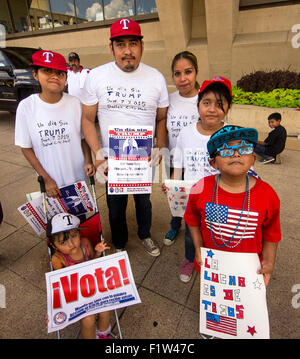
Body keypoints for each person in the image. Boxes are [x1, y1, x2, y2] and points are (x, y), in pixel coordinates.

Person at [81, 18, 169, 256]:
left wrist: (160, 146)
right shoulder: (97, 76)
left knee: (144, 203)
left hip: (143, 157)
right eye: (121, 44)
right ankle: (119, 242)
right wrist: (98, 155)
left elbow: (161, 118)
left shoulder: (156, 78)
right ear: (111, 48)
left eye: (133, 43)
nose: (127, 51)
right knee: (115, 206)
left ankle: (145, 234)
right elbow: (87, 119)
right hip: (111, 159)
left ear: (142, 46)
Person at [184, 125, 281, 289]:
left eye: (243, 148)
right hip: (212, 265)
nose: (236, 153)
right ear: (213, 163)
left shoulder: (267, 194)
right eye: (226, 150)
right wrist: (198, 248)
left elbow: (271, 233)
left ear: (253, 158)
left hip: (249, 269)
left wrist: (269, 261)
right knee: (215, 302)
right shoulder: (200, 188)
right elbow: (192, 219)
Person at [168, 76, 233, 283]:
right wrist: (173, 185)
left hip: (221, 198)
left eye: (220, 104)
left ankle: (216, 264)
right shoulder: (186, 133)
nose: (212, 109)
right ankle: (190, 259)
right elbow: (178, 163)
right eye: (206, 103)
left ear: (228, 108)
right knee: (191, 233)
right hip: (192, 198)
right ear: (198, 105)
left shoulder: (231, 135)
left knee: (218, 234)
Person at [15, 49, 95, 198]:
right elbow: (26, 147)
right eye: (47, 71)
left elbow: (83, 137)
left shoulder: (75, 103)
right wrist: (46, 178)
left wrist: (89, 160)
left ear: (66, 77)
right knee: (56, 221)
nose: (54, 77)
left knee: (80, 219)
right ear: (35, 74)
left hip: (77, 180)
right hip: (52, 184)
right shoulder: (26, 107)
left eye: (60, 73)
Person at [47, 212, 112, 339]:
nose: (72, 244)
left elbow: (93, 261)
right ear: (54, 246)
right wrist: (54, 310)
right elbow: (59, 286)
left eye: (74, 236)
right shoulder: (58, 258)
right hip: (75, 293)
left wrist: (98, 253)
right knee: (88, 319)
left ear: (79, 232)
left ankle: (103, 334)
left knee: (106, 306)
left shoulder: (86, 243)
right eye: (63, 242)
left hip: (92, 285)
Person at [163, 51, 200, 247]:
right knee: (175, 198)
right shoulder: (169, 100)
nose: (183, 78)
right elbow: (162, 126)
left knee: (196, 203)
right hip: (174, 161)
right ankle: (175, 224)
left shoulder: (205, 99)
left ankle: (196, 232)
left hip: (197, 164)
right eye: (177, 74)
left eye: (188, 72)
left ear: (196, 72)